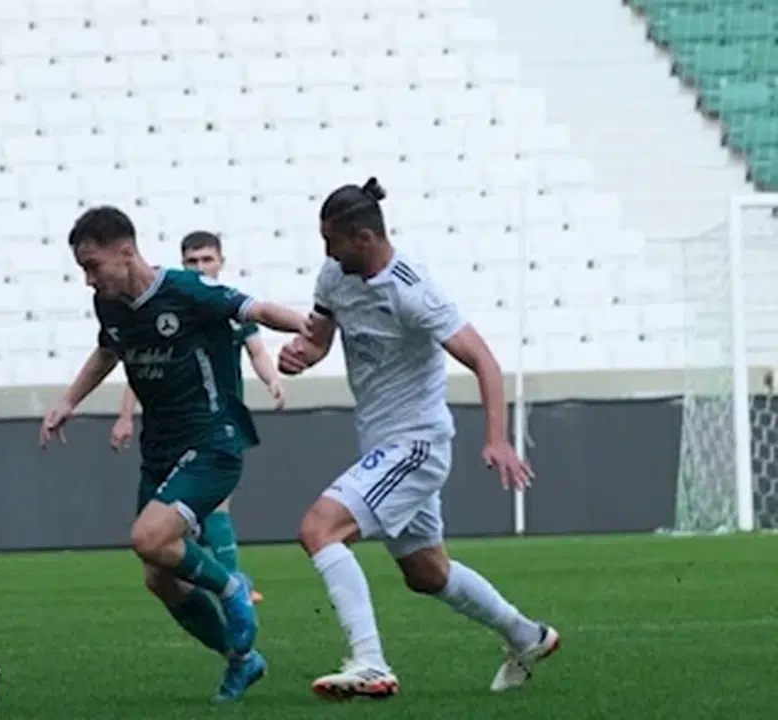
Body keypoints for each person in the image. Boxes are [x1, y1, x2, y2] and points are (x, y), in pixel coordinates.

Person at [278, 178, 558, 700]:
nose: (327, 253)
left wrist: (497, 439)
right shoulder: (335, 276)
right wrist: (302, 356)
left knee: (320, 529)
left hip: (416, 445)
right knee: (427, 573)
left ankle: (370, 662)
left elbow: (484, 360)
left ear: (364, 237)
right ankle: (528, 636)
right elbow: (319, 338)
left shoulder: (413, 290)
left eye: (332, 242)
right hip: (381, 444)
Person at [39, 206, 308, 703]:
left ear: (126, 251)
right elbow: (108, 351)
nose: (88, 280)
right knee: (158, 577)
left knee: (147, 537)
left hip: (212, 439)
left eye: (93, 266)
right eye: (83, 269)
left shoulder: (186, 290)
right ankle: (241, 659)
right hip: (160, 448)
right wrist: (68, 401)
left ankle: (232, 588)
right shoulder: (109, 304)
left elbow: (258, 311)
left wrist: (314, 329)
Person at [111, 231, 285, 605]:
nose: (200, 267)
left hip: (218, 421)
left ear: (221, 262)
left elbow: (256, 350)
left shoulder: (227, 308)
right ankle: (226, 583)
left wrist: (271, 379)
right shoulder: (175, 304)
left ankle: (231, 585)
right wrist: (125, 415)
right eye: (192, 261)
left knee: (217, 506)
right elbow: (141, 367)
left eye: (207, 260)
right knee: (180, 525)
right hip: (171, 425)